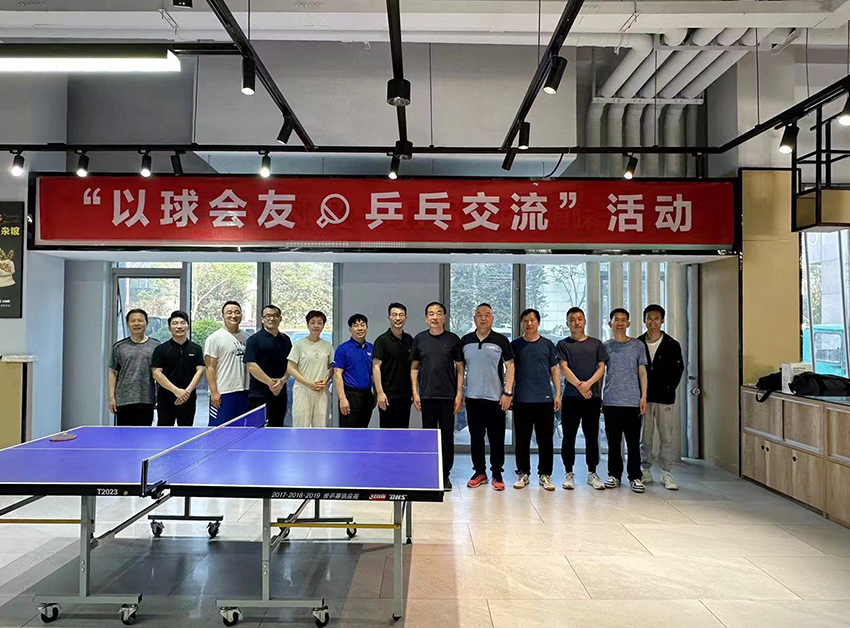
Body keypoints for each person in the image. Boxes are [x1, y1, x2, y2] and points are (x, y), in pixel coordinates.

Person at [458, 303, 514, 491]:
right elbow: (460, 368)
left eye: (487, 315)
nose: (483, 318)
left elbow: (511, 366)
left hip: (496, 398)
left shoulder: (500, 340)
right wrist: (460, 393)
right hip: (473, 398)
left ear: (492, 318)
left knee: (496, 438)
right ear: (474, 318)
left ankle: (497, 473)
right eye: (479, 315)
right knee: (476, 437)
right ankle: (479, 472)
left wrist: (507, 392)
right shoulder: (465, 341)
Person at [410, 301, 463, 491]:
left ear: (444, 317)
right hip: (427, 395)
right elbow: (414, 368)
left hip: (448, 396)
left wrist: (459, 393)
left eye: (439, 313)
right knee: (429, 436)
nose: (435, 317)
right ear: (426, 318)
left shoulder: (453, 339)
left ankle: (445, 474)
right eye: (431, 313)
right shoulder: (420, 339)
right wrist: (415, 392)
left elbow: (460, 368)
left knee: (447, 436)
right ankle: (430, 471)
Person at [510, 308, 561, 491]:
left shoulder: (548, 345)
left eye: (532, 320)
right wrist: (509, 393)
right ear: (521, 324)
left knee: (545, 440)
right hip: (521, 399)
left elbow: (554, 370)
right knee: (522, 440)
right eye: (525, 321)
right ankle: (523, 473)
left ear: (538, 323)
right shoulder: (515, 345)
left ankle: (545, 474)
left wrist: (557, 394)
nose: (529, 324)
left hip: (544, 399)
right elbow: (510, 370)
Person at [558, 307, 607, 491]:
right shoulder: (563, 344)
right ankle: (568, 472)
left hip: (591, 398)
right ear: (567, 323)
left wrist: (589, 385)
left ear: (584, 321)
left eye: (579, 318)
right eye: (572, 319)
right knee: (568, 437)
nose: (576, 322)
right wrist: (580, 386)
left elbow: (601, 368)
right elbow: (564, 368)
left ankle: (592, 472)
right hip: (571, 397)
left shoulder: (596, 344)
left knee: (591, 436)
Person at [638, 304, 685, 490]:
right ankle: (645, 469)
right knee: (645, 436)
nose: (653, 322)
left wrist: (668, 387)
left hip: (665, 398)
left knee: (666, 436)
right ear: (644, 320)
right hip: (644, 398)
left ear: (662, 321)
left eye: (656, 318)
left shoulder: (672, 345)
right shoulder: (638, 343)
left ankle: (666, 472)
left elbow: (678, 370)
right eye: (649, 318)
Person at [602, 308, 648, 493]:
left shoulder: (637, 345)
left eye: (623, 320)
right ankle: (614, 475)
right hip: (611, 401)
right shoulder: (605, 347)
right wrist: (600, 397)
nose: (620, 323)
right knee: (613, 443)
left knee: (633, 443)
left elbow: (642, 372)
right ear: (610, 324)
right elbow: (600, 373)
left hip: (632, 402)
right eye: (616, 320)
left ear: (628, 323)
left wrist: (643, 396)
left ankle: (635, 477)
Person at [151, 310, 205, 427]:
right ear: (169, 328)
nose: (179, 326)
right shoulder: (161, 349)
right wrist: (176, 391)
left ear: (188, 326)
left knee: (186, 431)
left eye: (183, 323)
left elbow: (200, 371)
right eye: (175, 323)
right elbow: (156, 373)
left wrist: (186, 392)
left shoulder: (196, 348)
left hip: (188, 397)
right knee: (164, 431)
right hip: (166, 398)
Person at [108, 308, 160, 426]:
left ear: (146, 323)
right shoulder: (119, 347)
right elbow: (112, 373)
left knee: (144, 434)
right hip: (124, 400)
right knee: (124, 434)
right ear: (127, 324)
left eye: (140, 320)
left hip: (147, 399)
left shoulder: (156, 345)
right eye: (133, 321)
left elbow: (159, 373)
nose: (137, 323)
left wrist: (159, 396)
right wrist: (112, 398)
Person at [244, 304, 292, 427]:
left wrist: (282, 381)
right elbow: (251, 366)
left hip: (280, 392)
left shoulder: (286, 340)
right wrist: (270, 383)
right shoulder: (254, 340)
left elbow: (290, 364)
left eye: (275, 315)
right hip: (259, 394)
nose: (272, 318)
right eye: (268, 316)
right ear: (262, 319)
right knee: (257, 429)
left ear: (280, 319)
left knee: (277, 426)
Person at [204, 300, 249, 427]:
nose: (233, 315)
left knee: (241, 430)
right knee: (219, 431)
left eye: (237, 312)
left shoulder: (247, 337)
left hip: (244, 391)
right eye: (229, 313)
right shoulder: (214, 338)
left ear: (241, 315)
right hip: (223, 392)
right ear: (223, 315)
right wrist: (214, 392)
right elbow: (209, 367)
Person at [288, 310, 333, 428]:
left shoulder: (328, 345)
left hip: (321, 391)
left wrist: (326, 380)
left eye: (319, 323)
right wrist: (308, 384)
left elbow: (332, 367)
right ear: (308, 325)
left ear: (323, 325)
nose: (316, 326)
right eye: (312, 322)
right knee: (301, 426)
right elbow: (290, 368)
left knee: (321, 426)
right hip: (302, 390)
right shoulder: (299, 345)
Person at [373, 302, 414, 428]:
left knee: (403, 431)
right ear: (389, 317)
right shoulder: (381, 341)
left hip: (405, 396)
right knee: (387, 433)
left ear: (405, 318)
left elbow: (413, 368)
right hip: (387, 396)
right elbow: (376, 367)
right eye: (394, 315)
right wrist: (380, 393)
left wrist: (414, 391)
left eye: (401, 315)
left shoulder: (409, 340)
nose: (398, 318)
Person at [334, 314, 375, 428]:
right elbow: (338, 374)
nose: (360, 328)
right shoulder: (343, 349)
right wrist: (342, 398)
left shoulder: (371, 348)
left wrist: (376, 394)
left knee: (363, 430)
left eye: (362, 325)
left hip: (367, 395)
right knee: (348, 432)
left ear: (367, 327)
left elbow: (374, 373)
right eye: (356, 325)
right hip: (350, 396)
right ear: (350, 329)